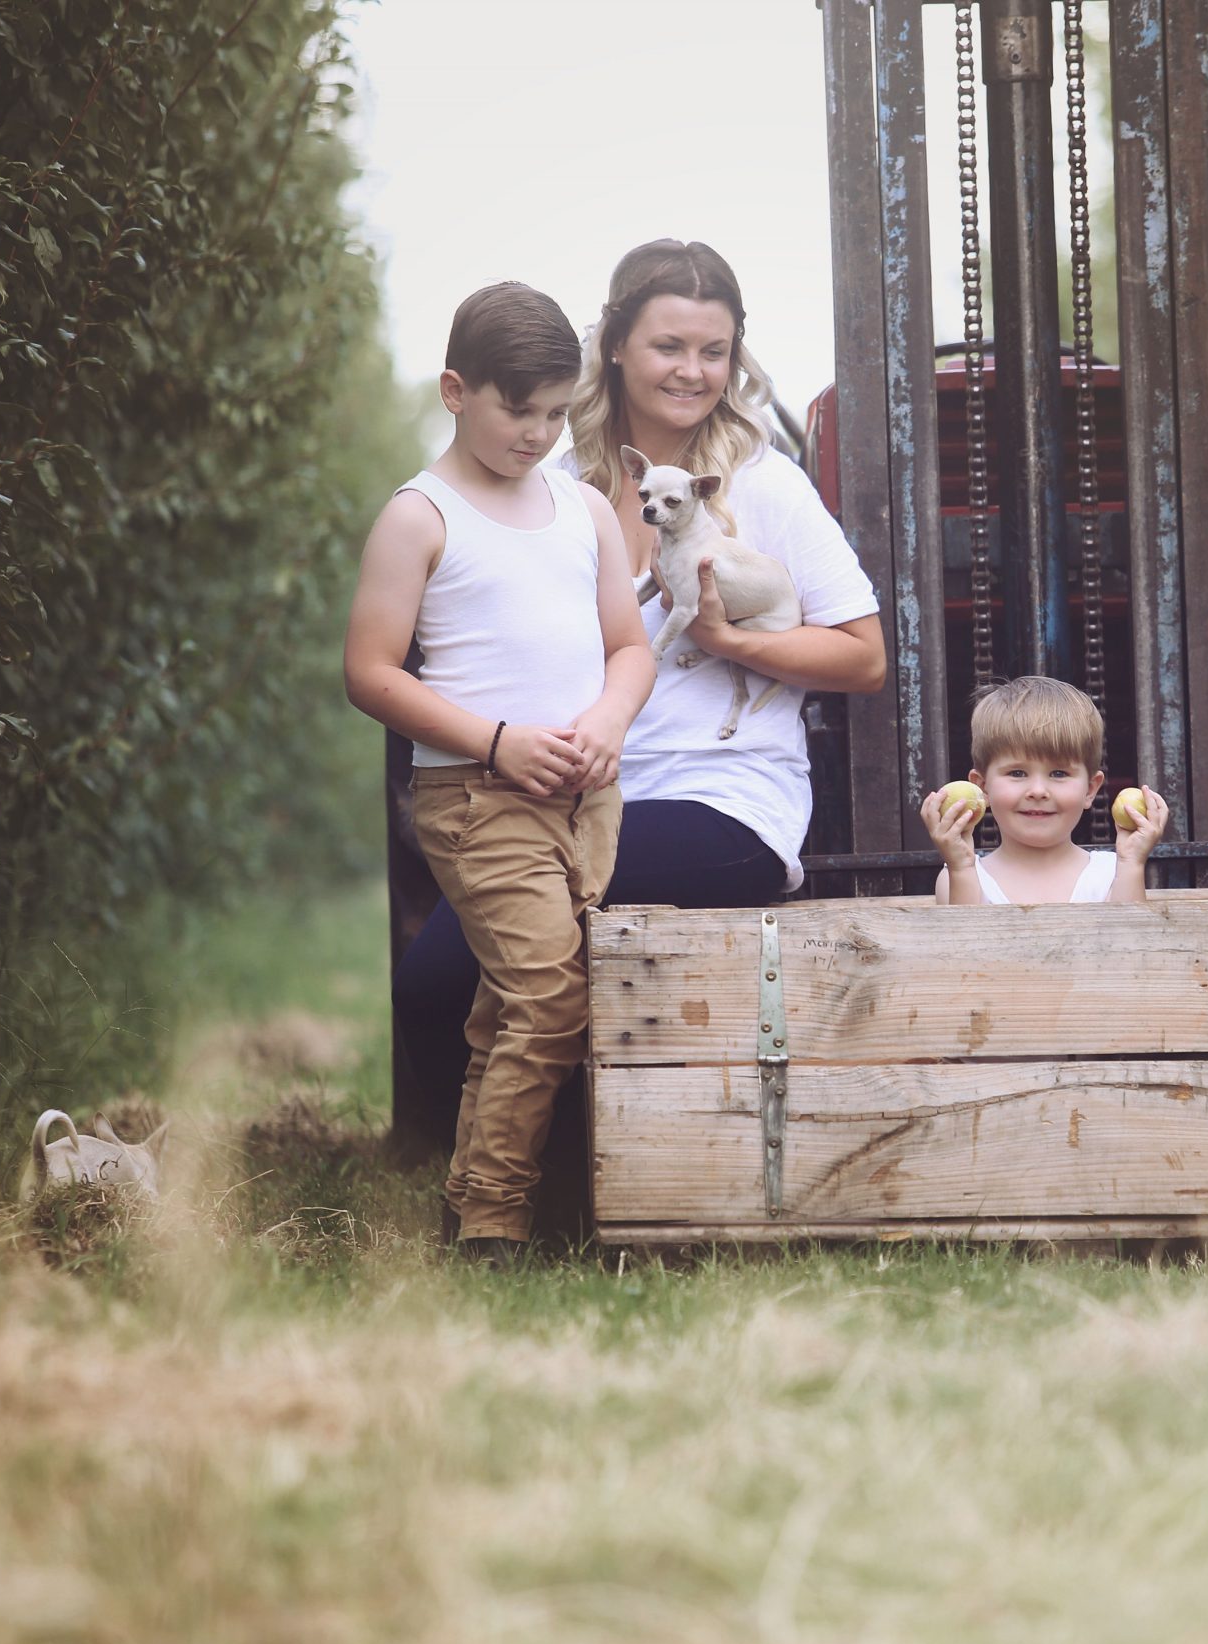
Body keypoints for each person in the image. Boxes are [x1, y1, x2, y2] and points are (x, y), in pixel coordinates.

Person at [391, 241, 887, 1178]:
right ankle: (536, 1186)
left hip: (718, 799)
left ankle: (551, 1195)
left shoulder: (761, 485)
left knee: (488, 963)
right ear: (614, 344)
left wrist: (733, 641)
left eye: (715, 352)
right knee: (428, 985)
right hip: (557, 794)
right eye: (669, 346)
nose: (694, 372)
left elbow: (863, 655)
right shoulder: (549, 482)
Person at [344, 282, 654, 1266]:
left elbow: (630, 649)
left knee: (519, 1001)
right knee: (550, 994)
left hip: (585, 795)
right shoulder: (419, 517)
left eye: (556, 412)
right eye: (516, 409)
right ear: (454, 390)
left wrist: (607, 720)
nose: (537, 433)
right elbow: (369, 674)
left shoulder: (583, 509)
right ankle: (495, 1227)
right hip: (477, 796)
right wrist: (497, 741)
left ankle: (472, 1197)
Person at [920, 675, 1169, 903]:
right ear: (982, 788)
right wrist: (961, 867)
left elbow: (1130, 946)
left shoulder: (1113, 872)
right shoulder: (961, 875)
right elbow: (964, 949)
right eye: (1017, 773)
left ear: (1090, 790)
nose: (1038, 791)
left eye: (1058, 773)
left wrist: (1132, 864)